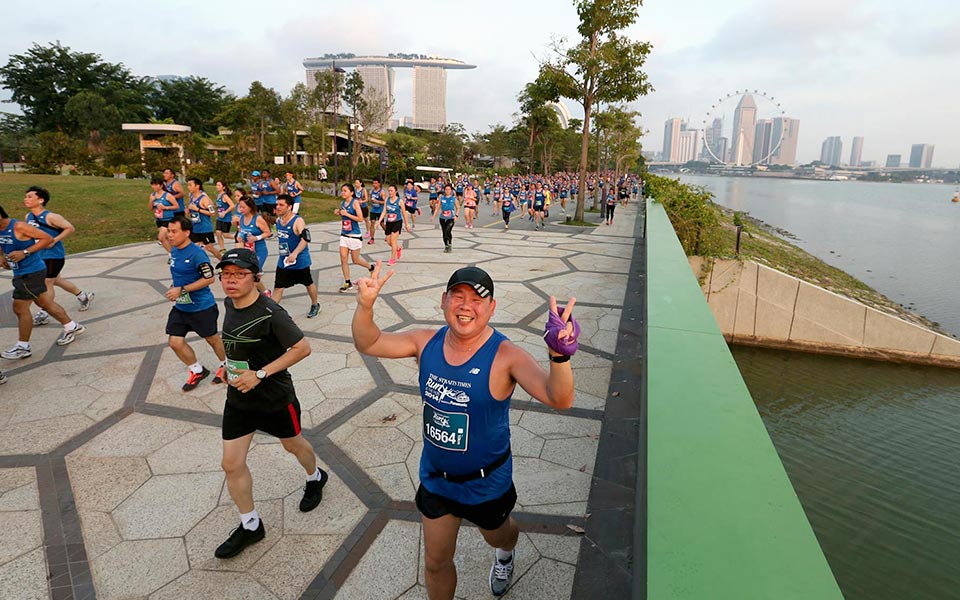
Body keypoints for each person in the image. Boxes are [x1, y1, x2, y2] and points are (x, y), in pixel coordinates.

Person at [351, 264, 579, 599]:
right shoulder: (425, 341)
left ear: (491, 308)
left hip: (486, 481)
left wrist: (559, 357)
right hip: (437, 478)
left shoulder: (506, 356)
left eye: (477, 299)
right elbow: (369, 342)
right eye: (458, 296)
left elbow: (559, 398)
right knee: (435, 562)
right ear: (443, 301)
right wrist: (365, 305)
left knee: (498, 535)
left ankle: (505, 552)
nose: (465, 305)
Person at [214, 247, 329, 559]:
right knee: (231, 463)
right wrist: (229, 367)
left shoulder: (271, 313)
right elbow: (236, 343)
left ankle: (315, 477)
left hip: (275, 398)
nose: (231, 280)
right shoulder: (229, 303)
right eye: (225, 274)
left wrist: (260, 374)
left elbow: (302, 348)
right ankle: (251, 525)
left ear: (256, 278)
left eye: (239, 275)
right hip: (239, 399)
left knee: (293, 446)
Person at [0, 204, 86, 359]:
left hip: (31, 272)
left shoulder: (19, 226)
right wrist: (2, 258)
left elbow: (46, 238)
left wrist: (25, 252)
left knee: (19, 308)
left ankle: (23, 346)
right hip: (20, 272)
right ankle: (71, 326)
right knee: (45, 303)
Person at [164, 215, 228, 390]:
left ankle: (227, 366)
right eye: (169, 231)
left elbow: (209, 278)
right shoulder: (175, 251)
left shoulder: (197, 253)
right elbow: (179, 275)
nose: (170, 235)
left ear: (187, 232)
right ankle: (197, 370)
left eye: (174, 231)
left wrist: (181, 290)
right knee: (174, 342)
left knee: (213, 339)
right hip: (181, 307)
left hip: (202, 307)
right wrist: (174, 288)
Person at [24, 186, 94, 327]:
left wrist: (54, 240)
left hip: (53, 255)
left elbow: (70, 228)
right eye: (25, 196)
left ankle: (45, 311)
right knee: (56, 280)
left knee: (47, 282)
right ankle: (83, 295)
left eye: (30, 196)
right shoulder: (28, 217)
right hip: (38, 254)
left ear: (41, 200)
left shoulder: (51, 217)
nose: (26, 199)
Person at [272, 195, 320, 318]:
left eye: (281, 205)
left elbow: (306, 238)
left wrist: (295, 253)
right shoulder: (278, 220)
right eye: (277, 204)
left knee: (308, 283)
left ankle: (315, 304)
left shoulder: (298, 221)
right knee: (278, 287)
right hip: (284, 260)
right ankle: (270, 312)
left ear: (289, 207)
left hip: (299, 260)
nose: (278, 207)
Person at [335, 183, 375, 293]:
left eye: (345, 191)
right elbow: (344, 214)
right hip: (344, 234)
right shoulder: (343, 203)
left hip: (355, 235)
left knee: (355, 260)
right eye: (342, 190)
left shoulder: (355, 203)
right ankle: (347, 282)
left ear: (351, 193)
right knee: (343, 258)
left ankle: (371, 267)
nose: (343, 192)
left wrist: (346, 214)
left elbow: (360, 218)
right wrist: (339, 213)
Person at [234, 196, 272, 296]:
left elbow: (268, 232)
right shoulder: (241, 218)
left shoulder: (257, 219)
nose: (240, 210)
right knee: (249, 274)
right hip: (248, 250)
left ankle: (264, 292)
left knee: (252, 273)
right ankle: (258, 292)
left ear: (250, 207)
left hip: (260, 250)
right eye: (240, 207)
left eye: (243, 207)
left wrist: (256, 238)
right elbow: (242, 231)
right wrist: (240, 237)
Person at [186, 177, 221, 259]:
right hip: (195, 228)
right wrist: (188, 210)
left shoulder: (204, 199)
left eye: (190, 185)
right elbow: (192, 210)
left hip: (205, 228)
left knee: (209, 248)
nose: (188, 187)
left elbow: (212, 212)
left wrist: (198, 209)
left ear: (197, 186)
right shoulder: (191, 197)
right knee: (195, 248)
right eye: (188, 185)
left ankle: (224, 263)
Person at [377, 184, 409, 266]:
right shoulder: (387, 200)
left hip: (397, 222)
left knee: (393, 240)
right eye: (389, 191)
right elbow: (384, 211)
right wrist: (379, 221)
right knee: (388, 241)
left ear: (396, 192)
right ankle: (398, 248)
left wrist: (407, 224)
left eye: (391, 191)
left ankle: (392, 259)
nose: (390, 192)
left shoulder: (400, 201)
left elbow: (404, 213)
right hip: (389, 222)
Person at [151, 177, 179, 253]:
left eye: (156, 185)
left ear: (161, 185)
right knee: (168, 239)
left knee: (161, 238)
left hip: (168, 219)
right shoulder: (153, 195)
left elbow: (176, 206)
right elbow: (150, 208)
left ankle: (172, 255)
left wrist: (165, 207)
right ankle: (175, 252)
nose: (154, 187)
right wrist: (151, 201)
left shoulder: (168, 195)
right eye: (152, 185)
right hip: (159, 219)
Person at [430, 184, 460, 253]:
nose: (447, 191)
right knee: (444, 232)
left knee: (448, 231)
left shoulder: (453, 198)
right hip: (442, 218)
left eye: (449, 189)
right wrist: (433, 216)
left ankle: (450, 244)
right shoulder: (442, 198)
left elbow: (458, 207)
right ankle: (446, 246)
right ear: (444, 190)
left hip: (451, 218)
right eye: (446, 189)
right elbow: (437, 208)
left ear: (451, 190)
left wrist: (456, 216)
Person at [214, 180, 236, 254]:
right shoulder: (217, 196)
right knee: (218, 232)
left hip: (226, 218)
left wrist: (225, 212)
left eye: (219, 185)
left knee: (225, 235)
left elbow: (232, 205)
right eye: (216, 185)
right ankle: (222, 248)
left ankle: (238, 237)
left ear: (223, 187)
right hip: (219, 218)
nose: (217, 187)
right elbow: (218, 206)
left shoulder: (225, 196)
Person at [367, 179, 385, 245]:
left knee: (382, 224)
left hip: (380, 210)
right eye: (373, 183)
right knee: (372, 222)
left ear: (379, 184)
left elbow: (385, 202)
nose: (374, 185)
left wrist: (377, 201)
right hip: (373, 210)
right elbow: (370, 200)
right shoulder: (371, 191)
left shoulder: (381, 192)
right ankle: (372, 238)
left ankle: (387, 233)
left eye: (376, 183)